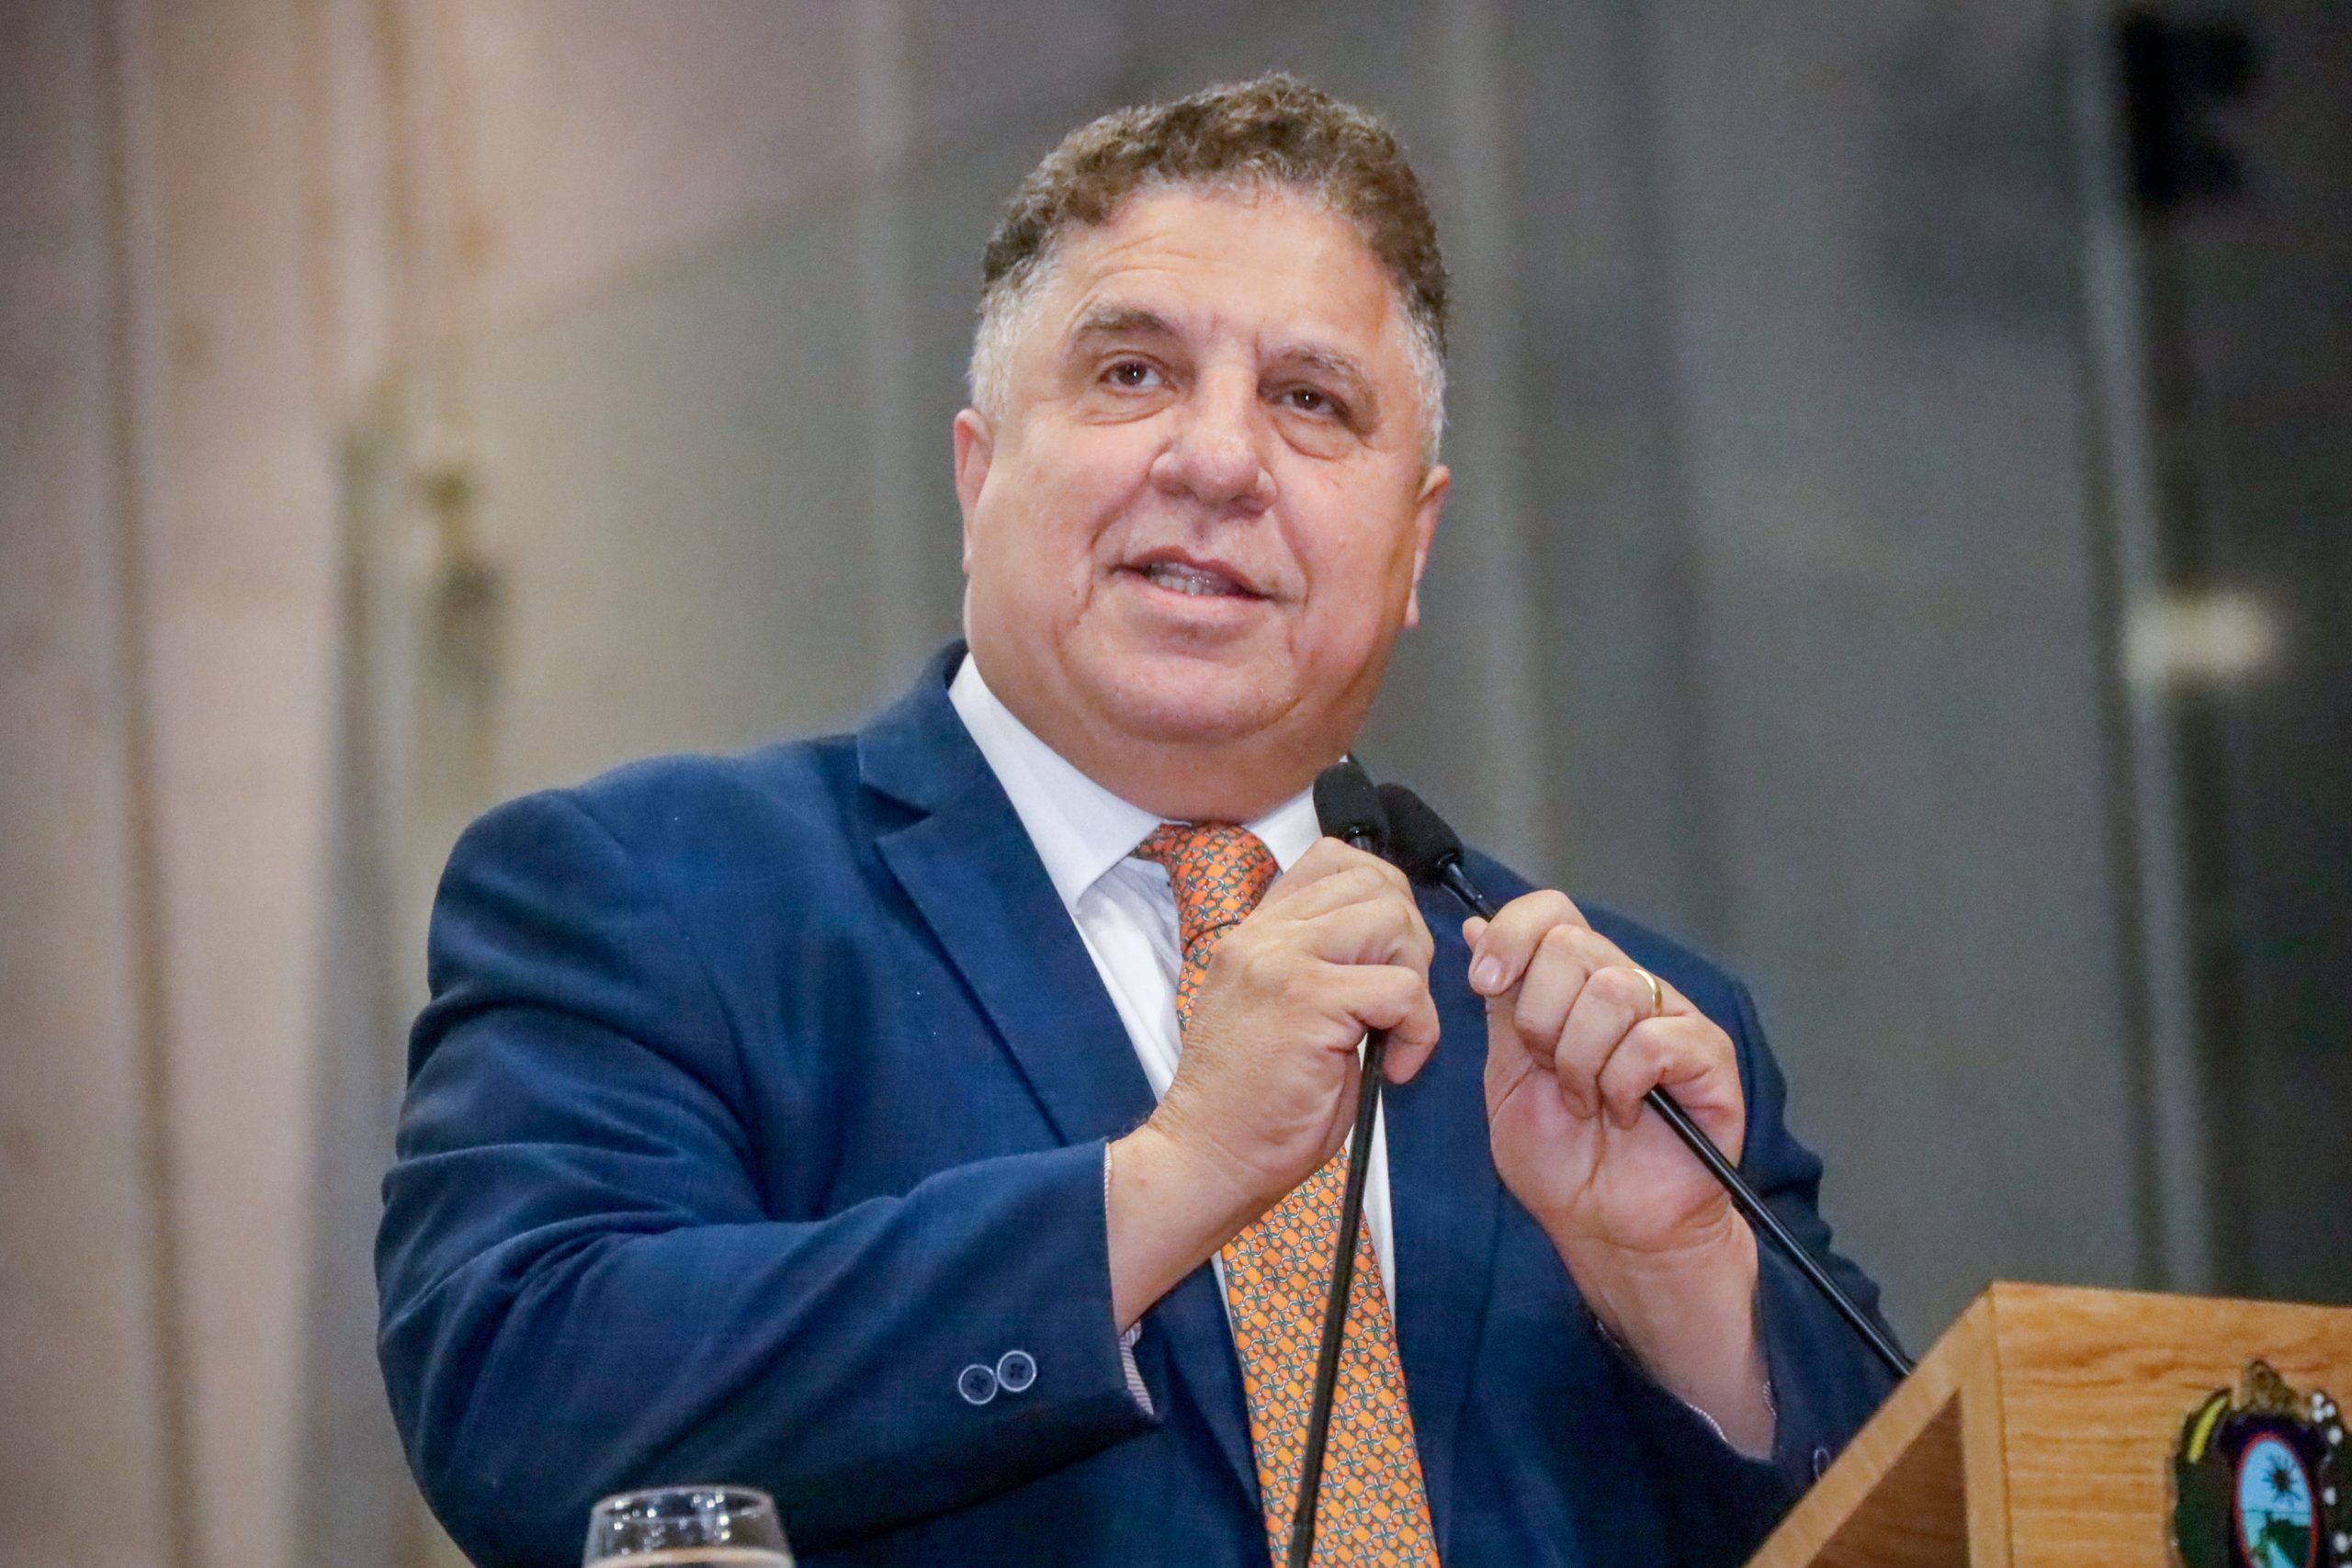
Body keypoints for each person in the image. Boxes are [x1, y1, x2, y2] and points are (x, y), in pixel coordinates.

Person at [376, 74, 1897, 1568]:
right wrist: (1171, 1179)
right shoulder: (658, 895)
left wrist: (1688, 1297)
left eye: (1310, 402)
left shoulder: (1621, 1035)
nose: (1219, 461)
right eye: (1132, 374)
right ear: (979, 472)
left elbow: (1938, 1516)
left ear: (1416, 542)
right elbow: (528, 1407)